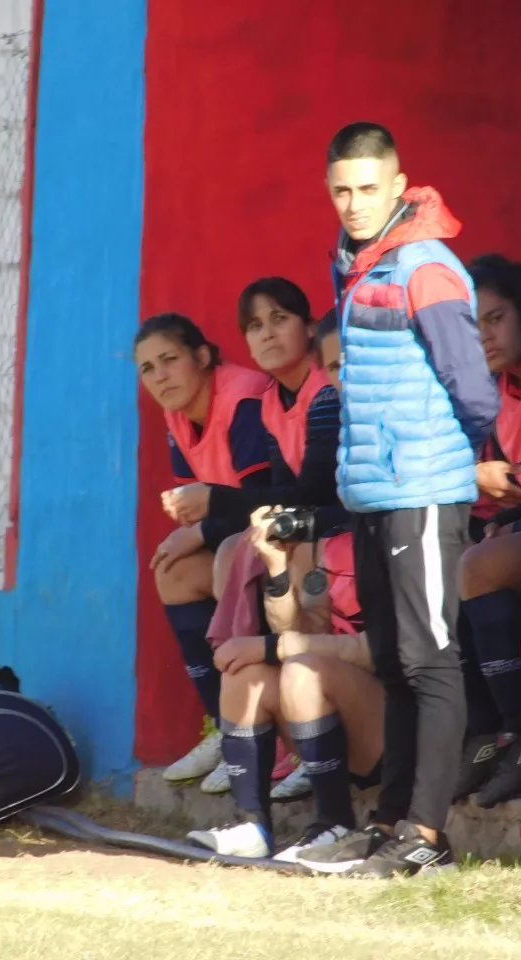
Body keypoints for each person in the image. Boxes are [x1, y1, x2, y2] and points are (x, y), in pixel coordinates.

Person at [302, 122, 499, 877]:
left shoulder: (426, 266)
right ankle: (391, 822)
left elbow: (470, 384)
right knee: (391, 661)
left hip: (421, 490)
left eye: (366, 188)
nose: (352, 204)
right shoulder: (356, 265)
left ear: (397, 184)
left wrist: (470, 460)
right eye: (340, 191)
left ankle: (427, 836)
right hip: (375, 491)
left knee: (429, 660)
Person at [199, 282, 346, 802]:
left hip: (344, 517)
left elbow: (313, 489)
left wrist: (215, 501)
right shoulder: (267, 402)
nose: (267, 333)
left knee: (276, 546)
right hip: (310, 515)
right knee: (235, 549)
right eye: (255, 326)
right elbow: (275, 491)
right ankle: (253, 726)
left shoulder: (325, 390)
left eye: (279, 318)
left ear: (309, 328)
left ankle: (304, 737)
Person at [185, 507, 383, 862]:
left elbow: (383, 650)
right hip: (329, 713)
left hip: (391, 722)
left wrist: (273, 647)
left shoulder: (404, 533)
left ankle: (335, 822)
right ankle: (252, 824)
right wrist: (278, 571)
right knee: (245, 672)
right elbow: (308, 629)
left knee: (300, 670)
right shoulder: (325, 534)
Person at [134, 313, 272, 794]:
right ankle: (222, 724)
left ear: (204, 356)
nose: (160, 376)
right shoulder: (177, 413)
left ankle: (258, 734)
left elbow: (267, 497)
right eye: (148, 368)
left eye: (170, 360)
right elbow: (196, 510)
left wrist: (201, 532)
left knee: (224, 559)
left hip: (284, 533)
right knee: (172, 571)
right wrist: (198, 532)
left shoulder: (243, 398)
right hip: (238, 536)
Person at [452, 255, 521, 807]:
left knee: (476, 568)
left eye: (496, 317)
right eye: (474, 324)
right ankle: (486, 736)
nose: (485, 335)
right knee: (442, 558)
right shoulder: (496, 390)